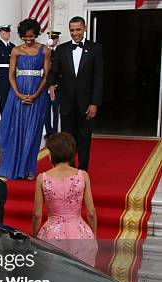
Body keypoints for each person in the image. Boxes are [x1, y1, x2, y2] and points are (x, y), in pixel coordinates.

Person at [0, 18, 51, 180]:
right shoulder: (16, 51)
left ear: (36, 34)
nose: (28, 40)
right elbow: (11, 74)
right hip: (17, 94)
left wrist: (36, 94)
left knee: (32, 132)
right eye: (25, 37)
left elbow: (46, 76)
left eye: (31, 36)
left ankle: (28, 169)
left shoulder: (44, 50)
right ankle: (12, 166)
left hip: (37, 94)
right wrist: (18, 94)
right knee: (14, 129)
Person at [33, 132, 97, 265]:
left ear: (51, 155)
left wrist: (34, 237)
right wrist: (93, 236)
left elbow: (37, 214)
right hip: (80, 233)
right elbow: (91, 212)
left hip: (51, 234)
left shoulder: (42, 178)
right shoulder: (83, 176)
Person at [48, 16, 103, 172]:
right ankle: (69, 170)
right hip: (66, 103)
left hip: (87, 104)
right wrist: (51, 84)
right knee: (67, 140)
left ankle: (83, 171)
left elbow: (99, 78)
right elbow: (54, 72)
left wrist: (95, 103)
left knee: (84, 139)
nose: (75, 33)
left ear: (85, 29)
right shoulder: (62, 49)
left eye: (78, 29)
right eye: (72, 30)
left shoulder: (95, 48)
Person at [44, 31, 61, 137]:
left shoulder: (60, 51)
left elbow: (61, 70)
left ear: (57, 39)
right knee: (46, 110)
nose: (53, 40)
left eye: (54, 38)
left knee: (55, 111)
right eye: (51, 38)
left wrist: (56, 85)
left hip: (56, 86)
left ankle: (54, 131)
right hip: (45, 85)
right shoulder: (45, 52)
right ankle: (48, 131)